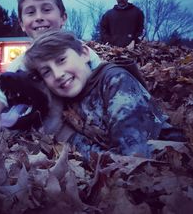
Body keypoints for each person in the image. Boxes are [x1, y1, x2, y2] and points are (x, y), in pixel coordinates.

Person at [24, 30, 170, 158]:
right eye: (46, 71)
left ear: (84, 54)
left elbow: (132, 162)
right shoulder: (65, 97)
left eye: (61, 60)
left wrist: (69, 138)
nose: (57, 74)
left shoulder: (115, 81)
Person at [0, 0, 102, 133]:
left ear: (63, 17)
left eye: (47, 10)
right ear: (22, 24)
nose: (39, 17)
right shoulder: (20, 64)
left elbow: (104, 82)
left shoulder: (80, 51)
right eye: (30, 12)